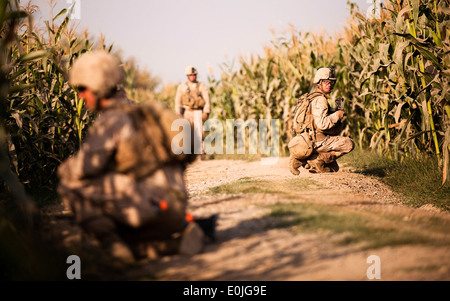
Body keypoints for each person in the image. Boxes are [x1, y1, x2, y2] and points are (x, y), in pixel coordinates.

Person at [57, 51, 207, 263]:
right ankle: (169, 244)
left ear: (97, 87)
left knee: (69, 185)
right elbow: (189, 150)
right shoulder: (147, 112)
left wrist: (63, 168)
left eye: (82, 88)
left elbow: (83, 169)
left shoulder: (111, 122)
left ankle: (113, 246)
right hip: (175, 209)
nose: (80, 95)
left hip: (147, 209)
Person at [289, 66, 354, 174]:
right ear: (318, 83)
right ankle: (315, 160)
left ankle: (304, 159)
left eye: (331, 82)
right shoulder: (321, 99)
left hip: (307, 138)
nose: (329, 85)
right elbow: (322, 124)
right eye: (326, 82)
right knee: (348, 144)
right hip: (317, 140)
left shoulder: (311, 97)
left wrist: (333, 111)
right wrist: (337, 115)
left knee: (334, 168)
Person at [174, 66, 210, 155]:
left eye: (194, 75)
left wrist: (206, 111)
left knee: (200, 132)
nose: (192, 76)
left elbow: (207, 100)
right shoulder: (182, 87)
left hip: (198, 112)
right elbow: (177, 102)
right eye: (190, 75)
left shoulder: (201, 86)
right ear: (187, 76)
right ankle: (188, 153)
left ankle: (201, 151)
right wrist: (177, 113)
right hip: (187, 112)